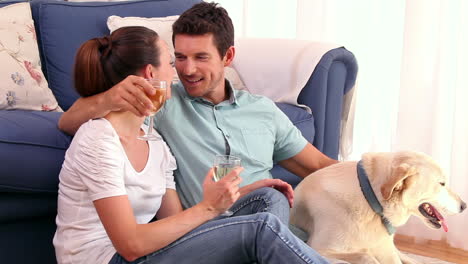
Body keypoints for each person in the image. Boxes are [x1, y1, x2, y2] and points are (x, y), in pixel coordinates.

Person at [53, 25, 330, 264]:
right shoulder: (98, 140)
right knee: (262, 228)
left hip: (146, 253)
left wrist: (229, 195)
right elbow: (130, 245)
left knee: (268, 198)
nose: (180, 74)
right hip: (110, 258)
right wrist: (207, 207)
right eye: (173, 64)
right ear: (151, 73)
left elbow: (178, 222)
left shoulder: (155, 144)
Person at [58, 2, 337, 210]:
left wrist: (375, 177)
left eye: (201, 57)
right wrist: (111, 96)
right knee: (270, 199)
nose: (187, 69)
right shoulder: (162, 102)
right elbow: (70, 122)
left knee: (272, 202)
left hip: (268, 219)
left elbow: (320, 166)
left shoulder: (263, 110)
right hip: (210, 232)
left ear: (228, 56)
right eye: (179, 57)